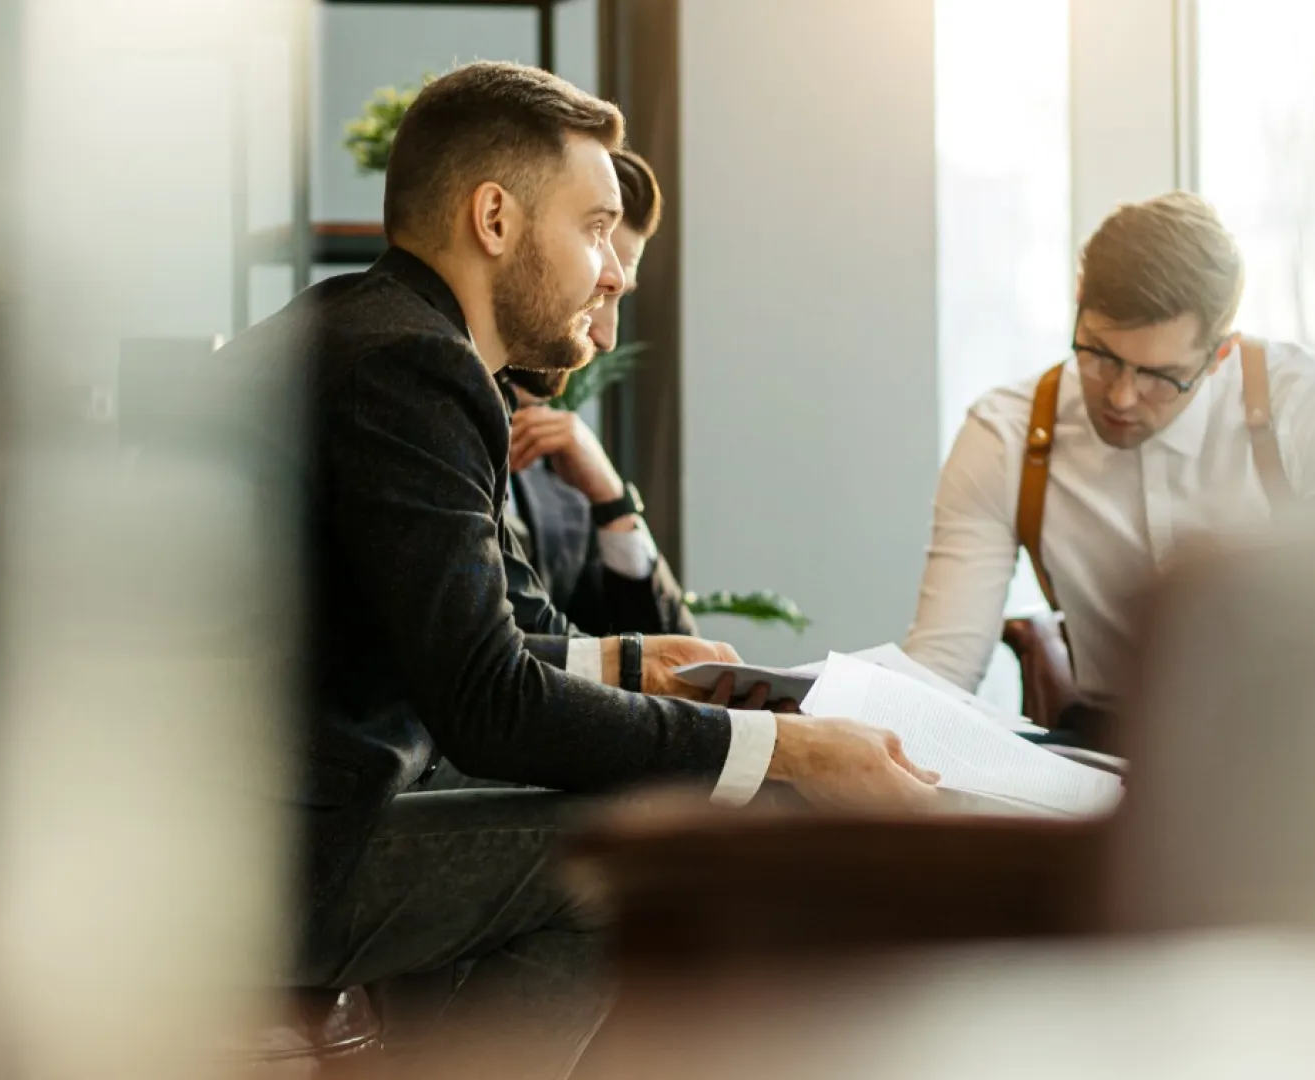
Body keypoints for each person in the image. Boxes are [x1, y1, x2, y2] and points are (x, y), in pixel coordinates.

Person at [220, 61, 938, 1079]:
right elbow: (486, 701)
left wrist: (631, 660)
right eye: (598, 226)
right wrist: (792, 752)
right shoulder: (410, 367)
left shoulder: (367, 328)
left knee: (683, 799)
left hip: (254, 828)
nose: (619, 271)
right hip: (259, 871)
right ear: (496, 219)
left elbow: (457, 645)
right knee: (653, 851)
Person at [903, 191, 1315, 740]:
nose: (1123, 398)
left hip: (1287, 749)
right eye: (1101, 356)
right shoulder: (1007, 433)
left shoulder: (1308, 404)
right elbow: (941, 669)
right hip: (1104, 756)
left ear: (1219, 353)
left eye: (1161, 375)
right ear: (1079, 301)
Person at [498, 148, 697, 638]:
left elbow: (667, 651)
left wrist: (611, 500)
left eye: (618, 296)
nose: (605, 337)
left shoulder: (559, 479)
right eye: (599, 290)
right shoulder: (418, 418)